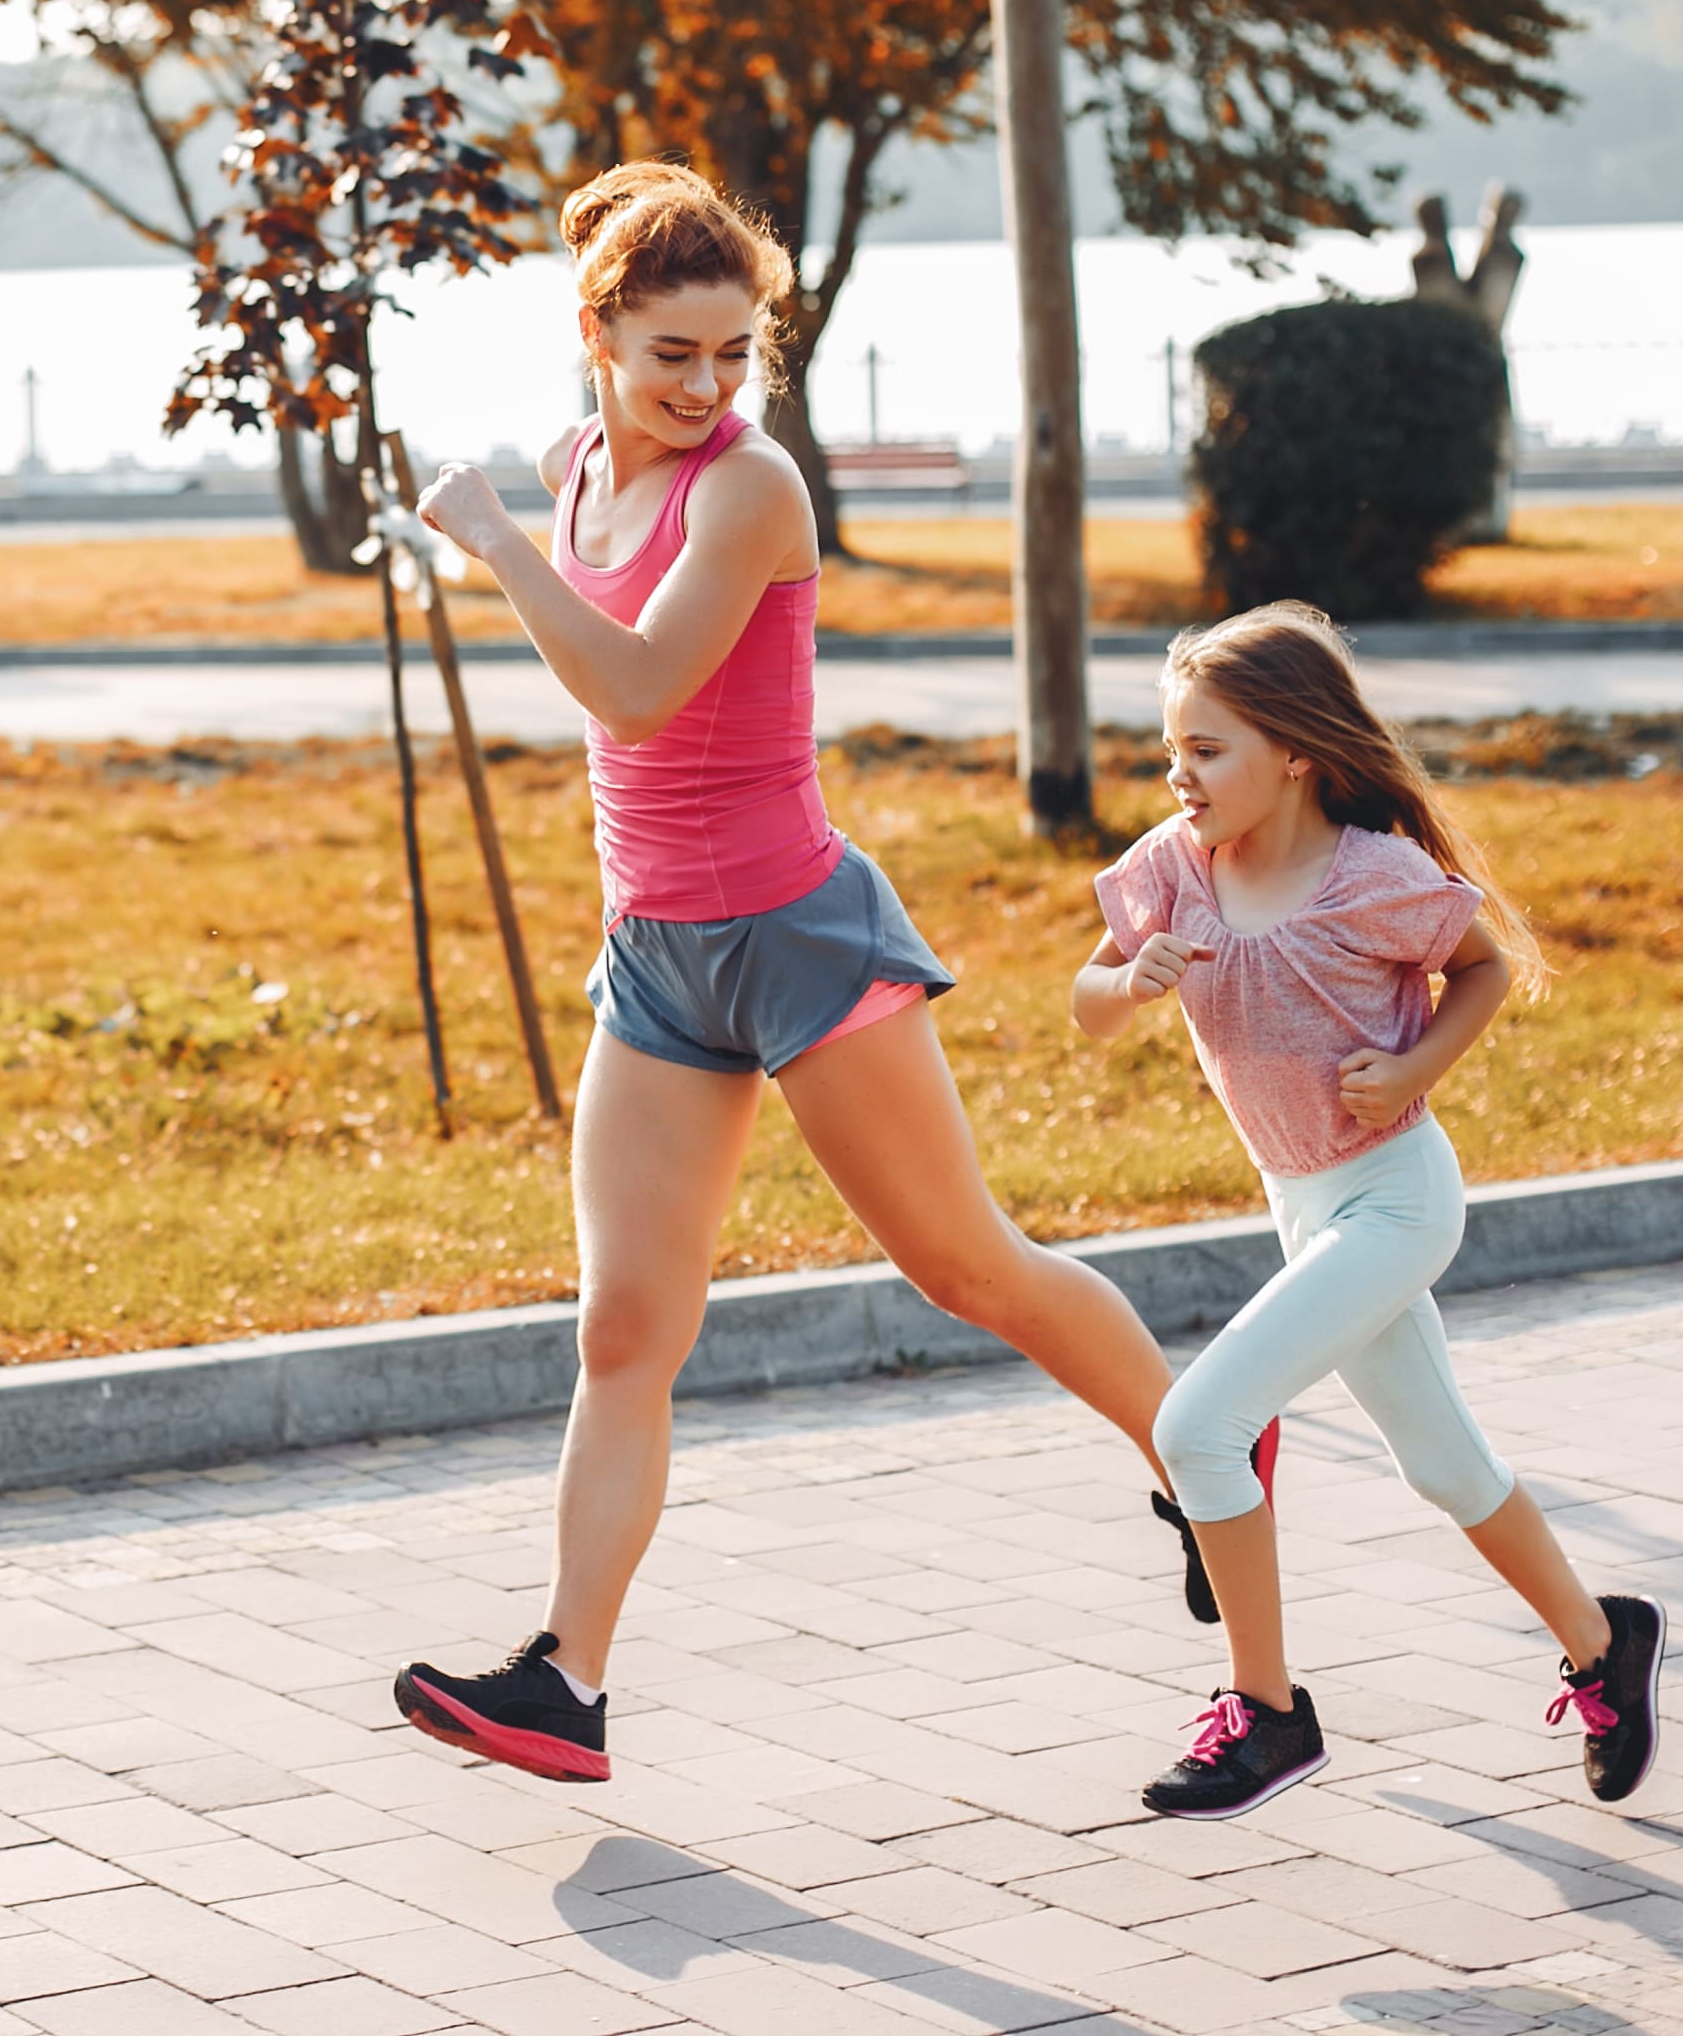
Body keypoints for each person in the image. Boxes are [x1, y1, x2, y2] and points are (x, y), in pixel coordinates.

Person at [394, 162, 1252, 1784]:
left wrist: (496, 547)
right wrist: (523, 530)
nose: (708, 387)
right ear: (597, 333)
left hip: (795, 934)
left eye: (735, 353)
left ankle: (1206, 1447)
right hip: (655, 953)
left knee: (966, 1268)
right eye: (673, 355)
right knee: (624, 1329)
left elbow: (639, 689)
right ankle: (564, 1679)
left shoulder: (751, 490)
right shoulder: (584, 466)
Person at [1071, 602, 1663, 1819]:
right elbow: (1088, 1003)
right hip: (1305, 1204)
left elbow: (1485, 963)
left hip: (1394, 1198)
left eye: (1209, 750)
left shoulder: (1372, 877)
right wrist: (1128, 980)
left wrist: (1416, 1067)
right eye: (1172, 749)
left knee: (1198, 1426)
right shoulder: (1174, 869)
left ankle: (1269, 1716)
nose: (1180, 774)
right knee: (1444, 1464)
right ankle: (1607, 1645)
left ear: (1293, 752)